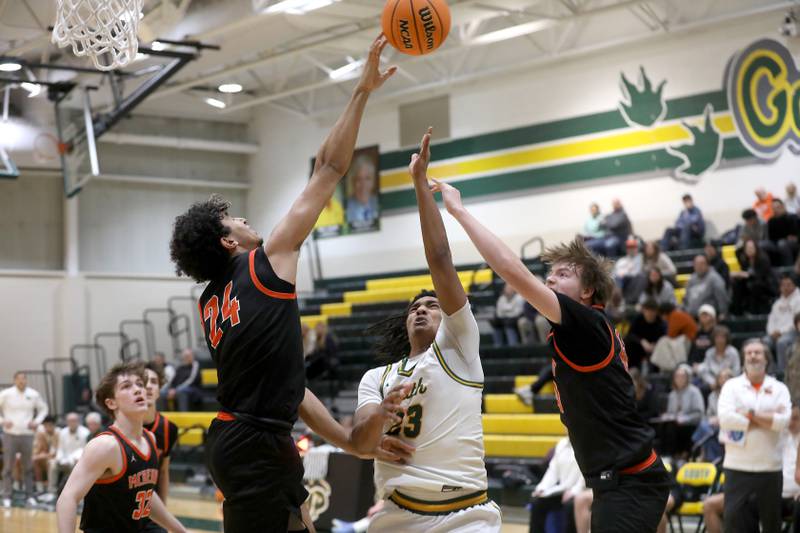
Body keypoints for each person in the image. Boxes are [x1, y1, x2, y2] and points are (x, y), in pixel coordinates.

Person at [169, 35, 408, 533]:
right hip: (254, 443)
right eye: (232, 219)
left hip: (249, 439)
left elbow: (290, 388)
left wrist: (346, 440)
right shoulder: (266, 263)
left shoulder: (212, 299)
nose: (244, 219)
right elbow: (331, 168)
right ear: (228, 243)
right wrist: (361, 91)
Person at [432, 180, 670, 532]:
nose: (550, 280)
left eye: (562, 274)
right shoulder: (581, 331)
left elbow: (513, 271)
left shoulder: (587, 323)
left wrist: (459, 212)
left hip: (630, 481)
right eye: (550, 273)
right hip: (618, 480)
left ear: (588, 290)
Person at [354, 128, 501, 531]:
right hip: (397, 515)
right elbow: (360, 441)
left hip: (464, 514)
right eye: (415, 307)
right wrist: (376, 425)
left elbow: (439, 257)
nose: (422, 310)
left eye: (432, 305)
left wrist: (420, 184)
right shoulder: (376, 378)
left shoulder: (458, 345)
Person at [56, 362, 187, 533]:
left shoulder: (150, 439)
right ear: (111, 403)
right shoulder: (106, 446)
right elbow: (67, 498)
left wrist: (180, 530)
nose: (139, 389)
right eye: (127, 386)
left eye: (140, 384)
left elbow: (144, 492)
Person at [717, 339, 791, 533]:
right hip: (736, 466)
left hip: (770, 467)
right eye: (748, 353)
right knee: (733, 521)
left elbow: (783, 421)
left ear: (766, 358)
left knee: (771, 524)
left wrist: (746, 414)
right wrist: (766, 418)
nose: (752, 356)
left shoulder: (779, 388)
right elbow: (725, 419)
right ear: (743, 358)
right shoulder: (731, 386)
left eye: (757, 352)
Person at [0, 370, 49, 508]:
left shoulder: (33, 394)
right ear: (14, 380)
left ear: (26, 380)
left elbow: (44, 409)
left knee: (28, 467)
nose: (22, 381)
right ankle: (7, 496)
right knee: (8, 467)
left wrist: (37, 421)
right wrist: (2, 421)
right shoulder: (6, 394)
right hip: (10, 434)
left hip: (27, 434)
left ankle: (30, 495)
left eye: (24, 379)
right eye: (19, 379)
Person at [141, 362, 180, 533]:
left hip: (150, 508)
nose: (149, 386)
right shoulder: (121, 428)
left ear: (159, 390)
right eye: (144, 381)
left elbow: (163, 472)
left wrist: (163, 514)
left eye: (154, 382)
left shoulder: (168, 429)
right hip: (121, 511)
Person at [529, 437, 582, 533]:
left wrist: (575, 491)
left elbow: (585, 474)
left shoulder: (586, 444)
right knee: (537, 502)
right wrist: (542, 487)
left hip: (581, 491)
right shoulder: (561, 444)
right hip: (561, 490)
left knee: (570, 506)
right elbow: (553, 470)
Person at [659, 365, 704, 458]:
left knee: (679, 428)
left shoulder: (694, 392)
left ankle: (684, 454)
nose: (679, 379)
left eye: (682, 376)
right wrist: (667, 416)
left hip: (691, 424)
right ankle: (669, 456)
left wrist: (685, 419)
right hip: (675, 424)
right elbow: (671, 413)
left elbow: (699, 413)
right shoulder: (672, 394)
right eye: (677, 376)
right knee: (665, 426)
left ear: (687, 378)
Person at [691, 368, 732, 463]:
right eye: (721, 377)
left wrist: (720, 419)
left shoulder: (735, 394)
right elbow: (708, 415)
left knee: (705, 429)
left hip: (728, 423)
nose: (723, 380)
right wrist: (712, 419)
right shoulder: (712, 395)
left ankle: (702, 452)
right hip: (714, 425)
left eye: (726, 377)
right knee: (708, 432)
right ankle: (714, 459)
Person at [47, 412, 90, 499]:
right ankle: (51, 491)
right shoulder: (63, 432)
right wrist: (59, 459)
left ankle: (73, 493)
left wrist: (70, 460)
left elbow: (83, 450)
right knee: (52, 464)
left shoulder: (85, 432)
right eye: (70, 421)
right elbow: (60, 448)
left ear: (78, 421)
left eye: (74, 421)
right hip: (63, 460)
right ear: (67, 422)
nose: (72, 423)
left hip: (76, 460)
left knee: (76, 465)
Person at [731, 238, 777, 315]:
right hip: (751, 282)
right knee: (737, 284)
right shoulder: (745, 259)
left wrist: (744, 274)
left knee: (754, 285)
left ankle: (753, 312)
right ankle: (737, 312)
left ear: (756, 248)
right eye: (747, 248)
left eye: (751, 248)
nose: (749, 250)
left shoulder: (763, 258)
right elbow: (737, 252)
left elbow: (760, 276)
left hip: (765, 285)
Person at [766, 273, 800, 371]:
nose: (785, 287)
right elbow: (771, 320)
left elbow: (796, 321)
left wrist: (780, 332)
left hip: (793, 332)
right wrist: (771, 332)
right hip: (775, 333)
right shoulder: (777, 303)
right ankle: (771, 371)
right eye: (783, 285)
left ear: (794, 285)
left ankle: (783, 372)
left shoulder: (798, 299)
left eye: (788, 284)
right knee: (765, 342)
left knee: (782, 343)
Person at [651, 302, 698, 373]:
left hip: (689, 339)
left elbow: (671, 334)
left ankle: (673, 367)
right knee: (663, 341)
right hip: (686, 338)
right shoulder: (676, 314)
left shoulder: (675, 315)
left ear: (664, 313)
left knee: (663, 341)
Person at [624, 300, 666, 370]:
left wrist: (655, 344)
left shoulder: (660, 322)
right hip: (639, 346)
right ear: (644, 310)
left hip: (654, 348)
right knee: (628, 344)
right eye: (648, 311)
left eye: (653, 311)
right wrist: (642, 341)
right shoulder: (638, 319)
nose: (650, 314)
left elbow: (663, 337)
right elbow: (630, 334)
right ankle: (631, 369)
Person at [698, 326, 740, 392]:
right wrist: (712, 382)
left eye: (722, 337)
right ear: (713, 339)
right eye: (717, 337)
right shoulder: (709, 352)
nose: (720, 340)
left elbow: (737, 371)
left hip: (730, 382)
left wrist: (726, 381)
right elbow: (704, 371)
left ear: (727, 339)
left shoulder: (733, 352)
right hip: (714, 382)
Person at [345, 154, 379, 226]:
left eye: (367, 178)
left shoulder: (378, 203)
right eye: (358, 179)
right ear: (353, 182)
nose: (363, 184)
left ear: (373, 181)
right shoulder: (346, 207)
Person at [765, 198, 799, 266]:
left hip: (793, 242)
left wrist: (796, 237)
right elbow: (771, 236)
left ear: (783, 206)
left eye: (778, 207)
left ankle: (789, 268)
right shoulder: (771, 220)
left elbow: (796, 233)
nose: (776, 210)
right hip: (776, 242)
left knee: (782, 243)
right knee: (761, 244)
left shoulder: (793, 217)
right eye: (773, 208)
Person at [613, 238, 645, 304]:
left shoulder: (641, 258)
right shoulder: (621, 260)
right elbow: (615, 272)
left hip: (634, 280)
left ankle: (620, 301)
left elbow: (637, 272)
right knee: (616, 279)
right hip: (620, 281)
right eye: (629, 247)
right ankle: (618, 300)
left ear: (637, 248)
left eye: (633, 247)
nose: (631, 249)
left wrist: (624, 274)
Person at [32, 415, 57, 495]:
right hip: (46, 456)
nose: (47, 427)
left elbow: (54, 452)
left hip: (57, 457)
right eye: (45, 426)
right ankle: (40, 488)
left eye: (49, 425)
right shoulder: (42, 434)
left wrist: (39, 456)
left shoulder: (57, 433)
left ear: (53, 425)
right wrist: (38, 455)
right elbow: (38, 449)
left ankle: (50, 488)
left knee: (49, 462)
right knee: (36, 461)